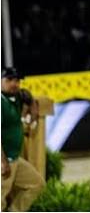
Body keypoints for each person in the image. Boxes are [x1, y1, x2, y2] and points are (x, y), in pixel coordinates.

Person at [2, 68, 44, 212]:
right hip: (4, 159)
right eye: (9, 80)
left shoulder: (14, 99)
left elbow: (33, 112)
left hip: (14, 159)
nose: (14, 83)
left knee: (36, 184)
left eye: (17, 80)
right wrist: (2, 161)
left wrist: (31, 102)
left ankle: (14, 211)